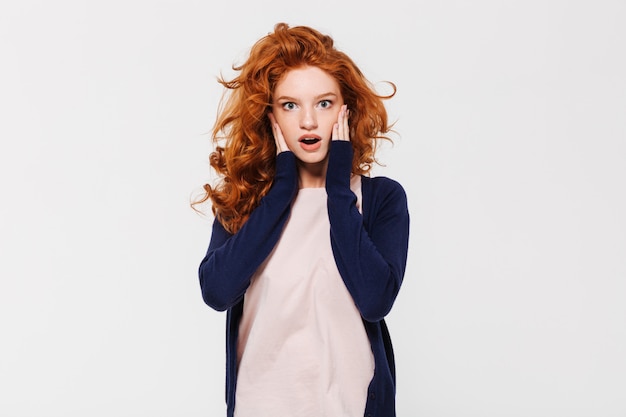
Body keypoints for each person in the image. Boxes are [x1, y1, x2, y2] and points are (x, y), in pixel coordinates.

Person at [194, 22, 410, 417]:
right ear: (270, 114)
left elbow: (375, 299)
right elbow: (217, 292)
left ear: (347, 109)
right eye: (290, 105)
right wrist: (280, 192)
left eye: (324, 103)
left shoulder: (381, 199)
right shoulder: (244, 201)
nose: (308, 121)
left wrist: (338, 187)